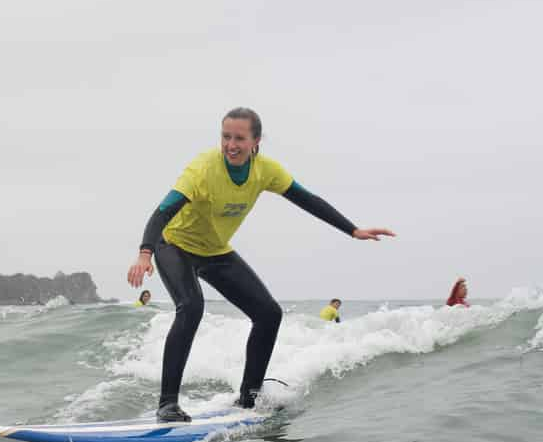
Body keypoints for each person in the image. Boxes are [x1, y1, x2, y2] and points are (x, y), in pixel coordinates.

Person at [127, 107, 395, 422]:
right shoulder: (202, 169)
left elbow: (307, 199)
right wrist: (145, 252)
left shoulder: (265, 170)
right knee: (191, 306)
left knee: (268, 314)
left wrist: (353, 230)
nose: (231, 145)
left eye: (239, 138)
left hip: (214, 250)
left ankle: (249, 396)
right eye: (226, 137)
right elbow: (163, 212)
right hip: (173, 245)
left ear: (256, 141)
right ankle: (168, 404)